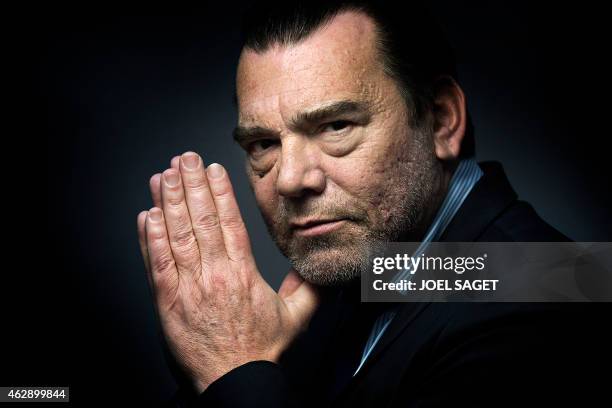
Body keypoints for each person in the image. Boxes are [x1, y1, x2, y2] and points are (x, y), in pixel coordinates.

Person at [136, 1, 609, 406]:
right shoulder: (374, 264)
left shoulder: (547, 299)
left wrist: (233, 370)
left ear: (442, 120)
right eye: (262, 143)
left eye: (336, 126)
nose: (291, 179)